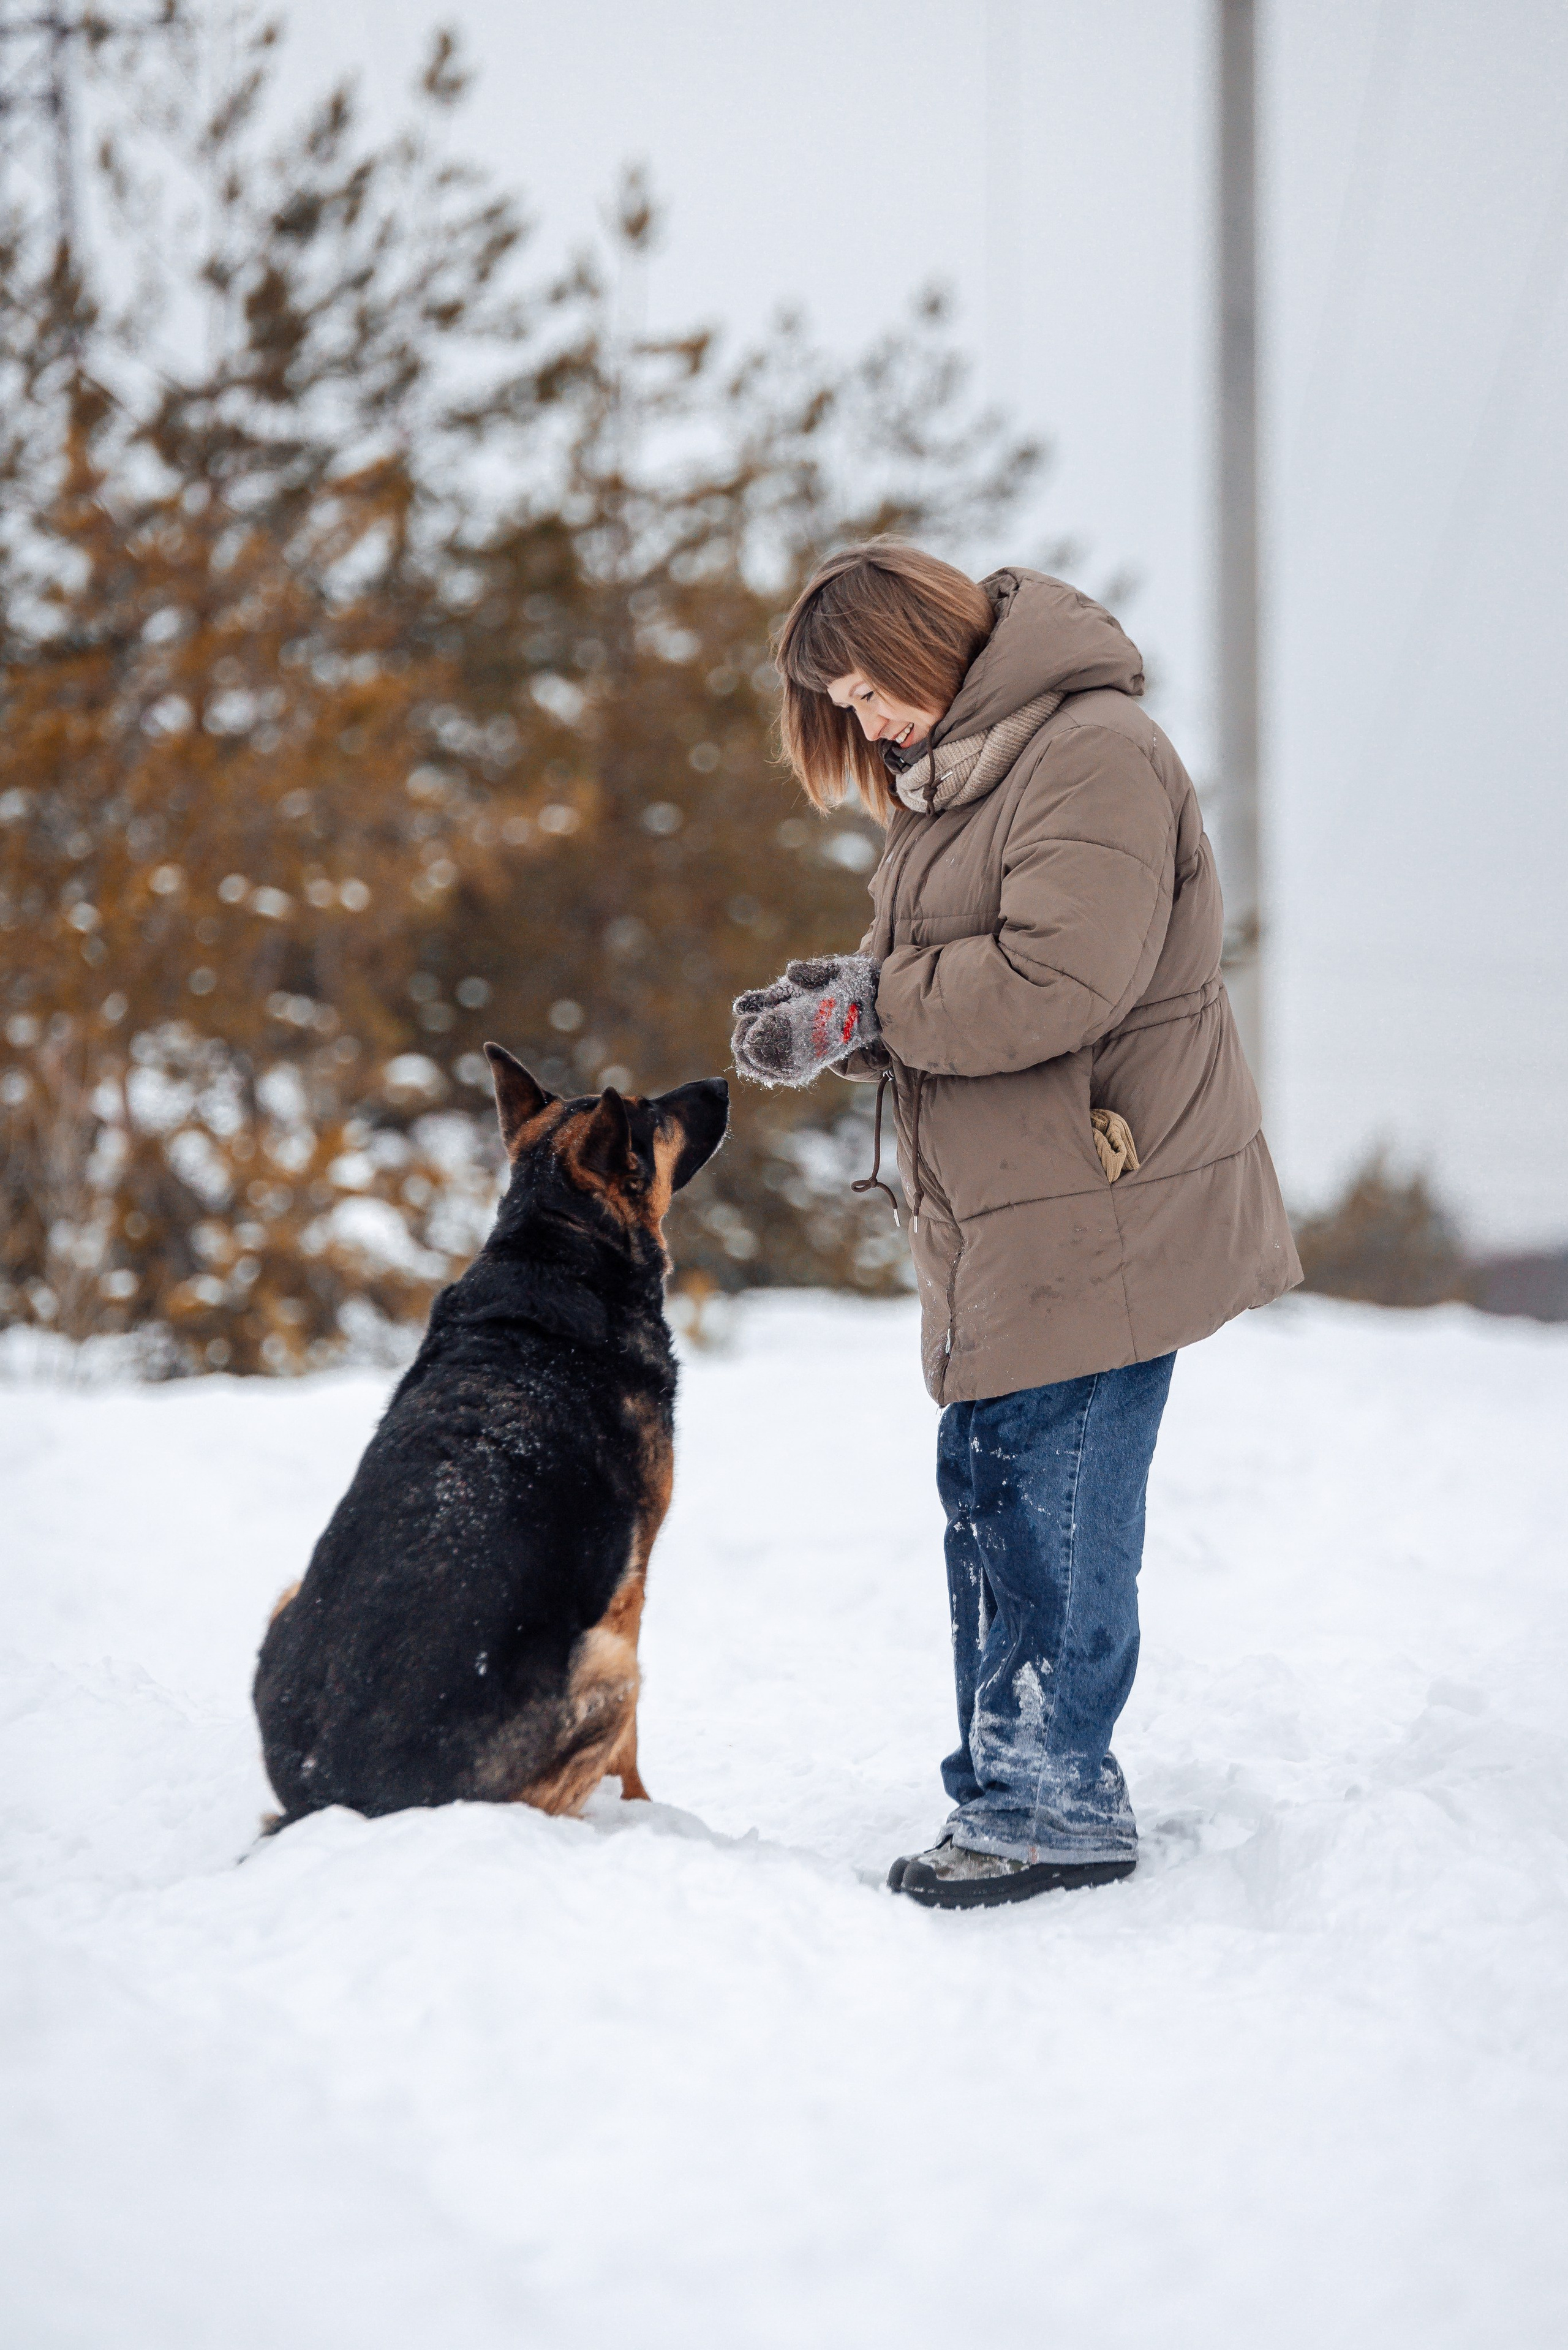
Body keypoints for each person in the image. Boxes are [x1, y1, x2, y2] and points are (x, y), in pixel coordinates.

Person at [732, 543, 1300, 1911]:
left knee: (1043, 1499)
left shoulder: (1087, 751)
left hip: (1091, 1205)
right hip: (1015, 1209)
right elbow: (965, 969)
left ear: (925, 647)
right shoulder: (970, 773)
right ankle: (1014, 1790)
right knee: (996, 1490)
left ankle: (1050, 1802)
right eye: (844, 708)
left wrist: (870, 1007)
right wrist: (847, 1000)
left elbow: (1057, 980)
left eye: (869, 692)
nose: (864, 726)